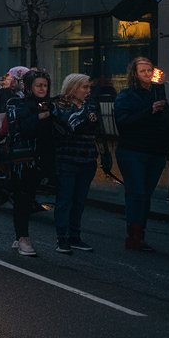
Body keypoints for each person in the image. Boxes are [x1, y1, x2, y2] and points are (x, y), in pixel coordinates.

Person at [113, 57, 169, 252]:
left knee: (146, 194)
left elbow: (167, 121)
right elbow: (124, 122)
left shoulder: (156, 93)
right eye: (143, 71)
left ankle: (140, 233)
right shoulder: (127, 96)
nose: (147, 74)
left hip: (155, 151)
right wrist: (149, 111)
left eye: (149, 70)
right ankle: (134, 236)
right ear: (135, 74)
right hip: (133, 151)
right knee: (137, 193)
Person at [51, 73, 102, 254]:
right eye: (84, 87)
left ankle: (75, 235)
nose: (88, 91)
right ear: (73, 88)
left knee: (79, 201)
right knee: (65, 199)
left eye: (89, 87)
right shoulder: (60, 105)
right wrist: (86, 115)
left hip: (87, 158)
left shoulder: (90, 105)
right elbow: (70, 127)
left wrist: (103, 153)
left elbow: (97, 129)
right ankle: (62, 237)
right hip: (67, 158)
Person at [6, 69, 55, 256]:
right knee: (22, 199)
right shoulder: (17, 104)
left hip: (42, 158)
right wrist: (40, 116)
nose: (42, 89)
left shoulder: (50, 104)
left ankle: (20, 235)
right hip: (23, 159)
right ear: (29, 87)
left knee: (30, 198)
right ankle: (23, 237)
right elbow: (19, 128)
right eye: (38, 85)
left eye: (45, 85)